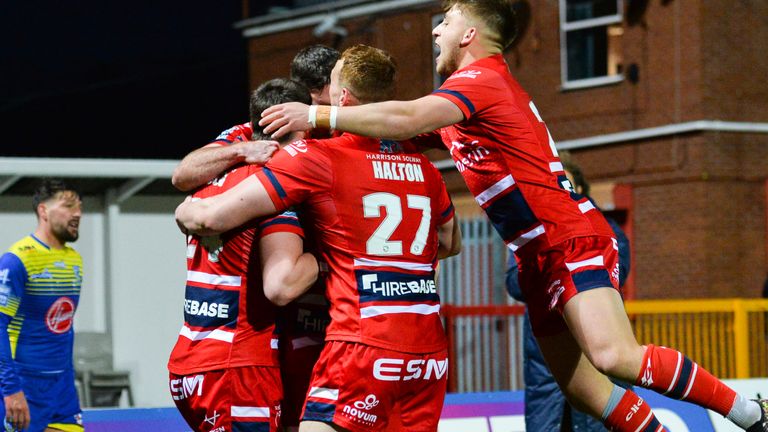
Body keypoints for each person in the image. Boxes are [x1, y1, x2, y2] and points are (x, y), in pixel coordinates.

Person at [258, 1, 768, 430]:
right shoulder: (466, 103)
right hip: (536, 256)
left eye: (447, 19)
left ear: (471, 34)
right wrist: (319, 120)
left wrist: (318, 115)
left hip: (569, 239)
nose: (435, 29)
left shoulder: (481, 80)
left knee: (614, 357)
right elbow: (385, 135)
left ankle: (751, 413)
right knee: (585, 391)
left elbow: (407, 116)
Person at [176, 44, 461, 432]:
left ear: (338, 96)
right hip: (427, 348)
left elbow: (209, 216)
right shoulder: (423, 165)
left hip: (354, 339)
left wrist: (188, 211)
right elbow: (449, 242)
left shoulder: (315, 156)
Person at [167, 78, 320, 432]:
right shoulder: (275, 187)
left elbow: (184, 191)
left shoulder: (213, 179)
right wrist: (337, 257)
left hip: (193, 357)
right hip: (239, 366)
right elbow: (281, 285)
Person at [506, 156, 631, 432]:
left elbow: (615, 275)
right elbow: (514, 283)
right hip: (545, 363)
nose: (558, 190)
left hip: (598, 354)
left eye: (565, 184)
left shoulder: (607, 230)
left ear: (581, 191)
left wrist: (552, 275)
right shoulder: (527, 234)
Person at [171, 44, 340, 193]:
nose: (346, 96)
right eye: (341, 84)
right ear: (317, 90)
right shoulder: (265, 124)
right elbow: (181, 176)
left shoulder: (344, 125)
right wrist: (241, 150)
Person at [0, 178, 84, 432]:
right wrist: (11, 390)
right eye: (68, 205)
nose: (78, 213)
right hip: (23, 387)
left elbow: (63, 328)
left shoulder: (74, 261)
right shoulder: (16, 260)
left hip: (62, 389)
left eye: (80, 206)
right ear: (43, 211)